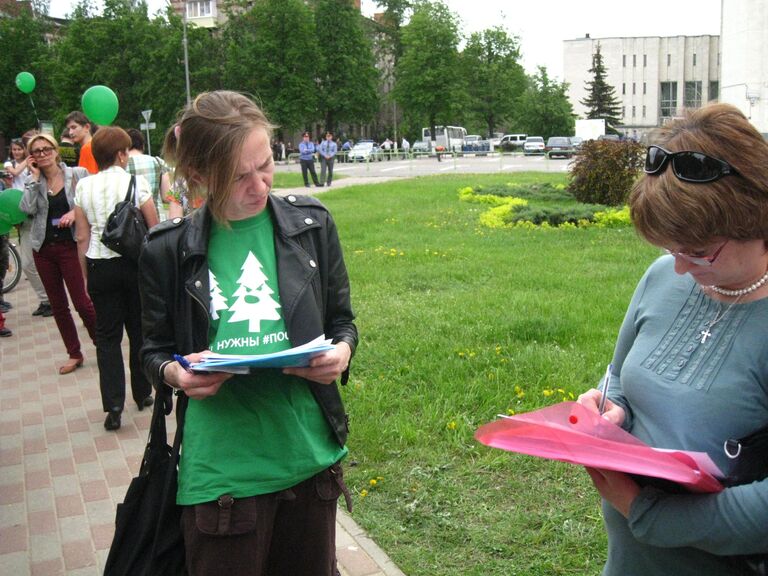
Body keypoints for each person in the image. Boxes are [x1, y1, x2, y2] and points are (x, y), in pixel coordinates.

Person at [139, 91, 357, 576]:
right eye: (239, 176)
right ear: (198, 176)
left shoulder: (311, 225)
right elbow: (151, 351)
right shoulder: (167, 249)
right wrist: (178, 374)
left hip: (307, 459)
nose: (259, 185)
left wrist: (340, 353)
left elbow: (342, 321)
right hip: (222, 478)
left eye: (265, 164)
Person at [576, 103, 768, 576]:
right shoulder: (664, 275)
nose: (680, 268)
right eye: (671, 249)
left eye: (700, 253)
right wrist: (611, 405)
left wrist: (650, 515)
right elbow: (619, 374)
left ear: (755, 217)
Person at [73, 126, 159, 431]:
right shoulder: (137, 183)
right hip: (133, 266)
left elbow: (82, 236)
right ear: (121, 154)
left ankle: (113, 404)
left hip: (99, 266)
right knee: (139, 330)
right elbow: (153, 227)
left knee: (107, 338)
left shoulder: (83, 187)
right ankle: (142, 392)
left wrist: (85, 275)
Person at [19, 133, 97, 374]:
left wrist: (76, 212)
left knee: (82, 302)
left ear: (55, 150)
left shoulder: (77, 174)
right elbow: (26, 209)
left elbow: (90, 199)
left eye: (46, 149)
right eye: (37, 151)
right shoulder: (35, 182)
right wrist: (33, 178)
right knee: (58, 305)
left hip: (71, 246)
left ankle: (101, 343)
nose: (42, 154)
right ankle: (74, 353)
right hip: (43, 248)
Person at [4, 137, 52, 317]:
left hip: (40, 220)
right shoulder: (16, 166)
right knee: (27, 264)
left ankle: (49, 300)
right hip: (22, 217)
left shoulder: (43, 171)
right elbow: (15, 175)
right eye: (36, 151)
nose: (17, 152)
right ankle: (46, 299)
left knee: (40, 264)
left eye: (20, 149)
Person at [125, 128, 171, 219]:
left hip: (130, 222)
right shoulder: (158, 162)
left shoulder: (122, 165)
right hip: (156, 220)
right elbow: (167, 196)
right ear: (142, 146)